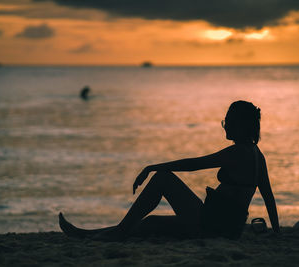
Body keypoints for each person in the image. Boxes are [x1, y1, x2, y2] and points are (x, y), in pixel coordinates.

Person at [59, 100, 280, 240]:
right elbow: (268, 195)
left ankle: (116, 232)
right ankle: (90, 234)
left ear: (242, 125)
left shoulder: (239, 152)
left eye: (230, 121)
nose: (226, 125)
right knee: (151, 223)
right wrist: (277, 233)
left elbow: (194, 164)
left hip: (213, 225)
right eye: (226, 121)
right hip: (227, 228)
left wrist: (152, 167)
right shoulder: (256, 153)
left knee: (162, 178)